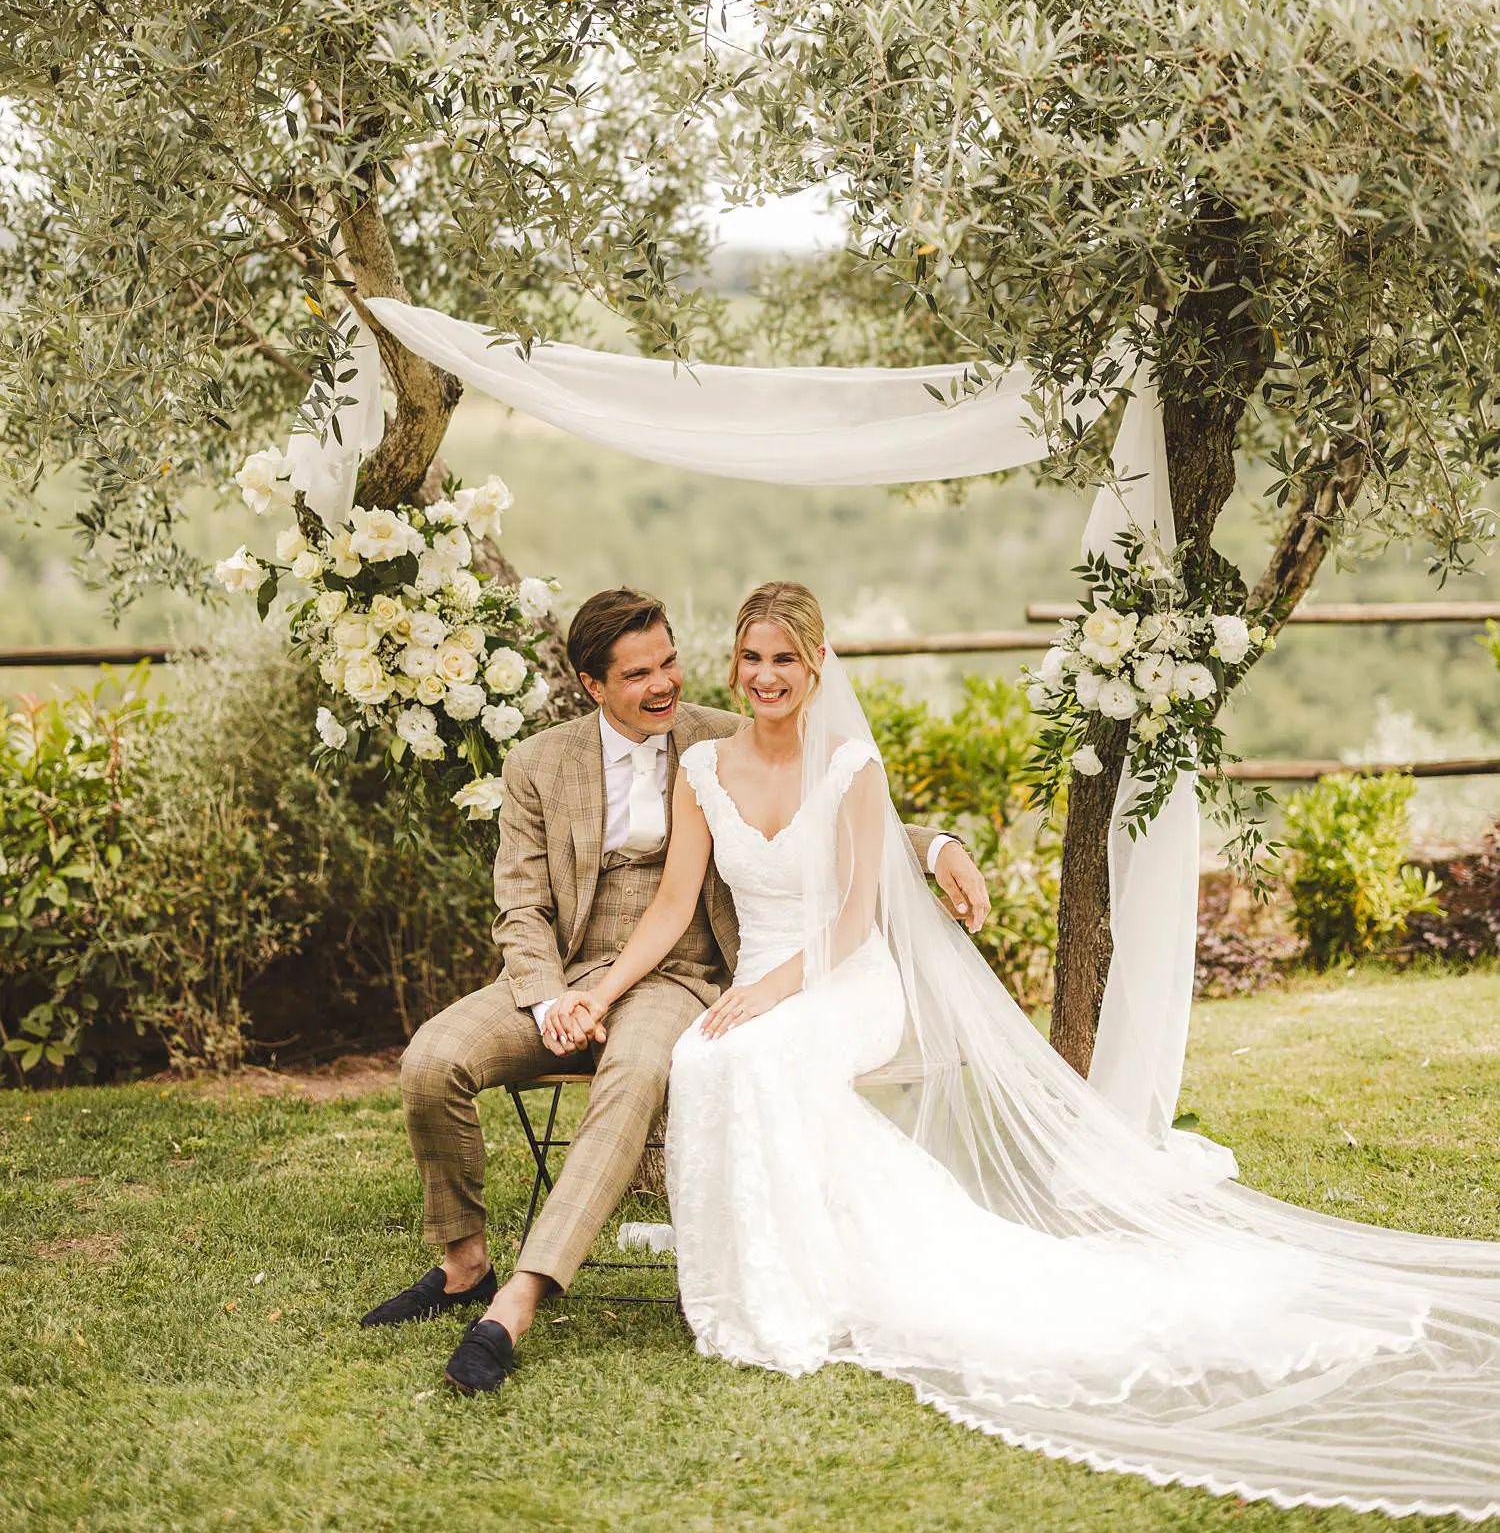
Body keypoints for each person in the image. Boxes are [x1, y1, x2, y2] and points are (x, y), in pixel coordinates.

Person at [484, 580, 1500, 1522]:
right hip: (761, 982)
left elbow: (853, 916)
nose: (766, 675)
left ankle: (803, 1291)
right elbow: (671, 904)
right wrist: (598, 991)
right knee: (707, 1060)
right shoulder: (704, 767)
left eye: (785, 657)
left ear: (818, 662)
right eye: (752, 656)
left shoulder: (850, 764)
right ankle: (751, 1287)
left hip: (842, 979)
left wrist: (774, 988)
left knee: (751, 1057)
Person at [358, 585, 991, 1396]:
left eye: (669, 663)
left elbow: (830, 796)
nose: (663, 685)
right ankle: (463, 1264)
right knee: (430, 1060)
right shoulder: (537, 764)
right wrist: (553, 1000)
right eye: (638, 674)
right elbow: (519, 906)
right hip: (567, 975)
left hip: (676, 977)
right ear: (592, 684)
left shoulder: (717, 735)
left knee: (635, 1076)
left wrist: (936, 846)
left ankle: (519, 1299)